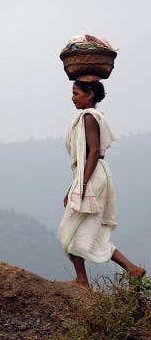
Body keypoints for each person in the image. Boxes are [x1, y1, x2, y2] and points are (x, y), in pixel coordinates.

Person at [57, 78, 145, 289]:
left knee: (67, 230)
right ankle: (132, 269)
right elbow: (87, 156)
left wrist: (83, 186)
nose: (73, 98)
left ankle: (82, 281)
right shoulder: (87, 117)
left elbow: (94, 151)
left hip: (94, 177)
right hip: (94, 175)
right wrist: (74, 186)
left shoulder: (88, 117)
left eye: (76, 93)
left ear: (90, 95)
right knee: (89, 232)